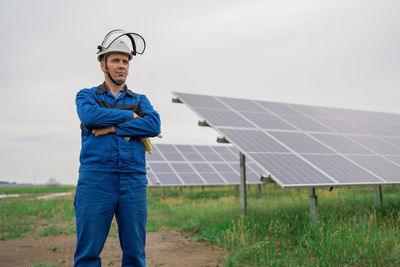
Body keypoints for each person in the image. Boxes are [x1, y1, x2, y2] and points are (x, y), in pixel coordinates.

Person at [74, 29, 161, 267]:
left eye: (125, 61)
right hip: (96, 180)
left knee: (135, 254)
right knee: (88, 253)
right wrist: (132, 118)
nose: (122, 65)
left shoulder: (141, 99)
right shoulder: (87, 96)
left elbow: (154, 124)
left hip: (132, 182)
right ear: (103, 65)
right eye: (115, 60)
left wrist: (113, 128)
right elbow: (90, 117)